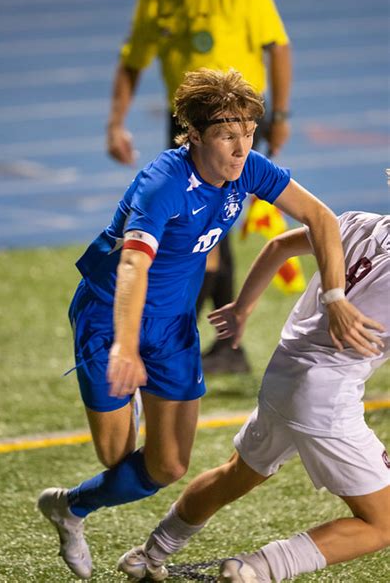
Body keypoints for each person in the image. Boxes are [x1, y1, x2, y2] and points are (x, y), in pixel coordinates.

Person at [37, 67, 382, 580]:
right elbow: (134, 266)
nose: (241, 147)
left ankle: (69, 507)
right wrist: (125, 349)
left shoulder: (249, 167)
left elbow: (320, 217)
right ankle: (98, 461)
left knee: (168, 467)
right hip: (111, 319)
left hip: (173, 323)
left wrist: (332, 295)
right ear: (193, 134)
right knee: (116, 455)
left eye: (247, 133)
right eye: (226, 134)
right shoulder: (162, 185)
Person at [117, 210, 389, 582]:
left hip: (285, 372)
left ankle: (148, 555)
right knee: (383, 523)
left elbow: (278, 246)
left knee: (237, 473)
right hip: (327, 398)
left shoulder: (360, 222)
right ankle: (257, 567)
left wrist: (242, 308)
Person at [106, 0, 293, 374]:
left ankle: (211, 340)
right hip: (188, 124)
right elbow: (132, 62)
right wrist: (116, 122)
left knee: (213, 229)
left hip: (236, 121)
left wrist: (282, 117)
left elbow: (278, 45)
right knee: (200, 226)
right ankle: (215, 343)